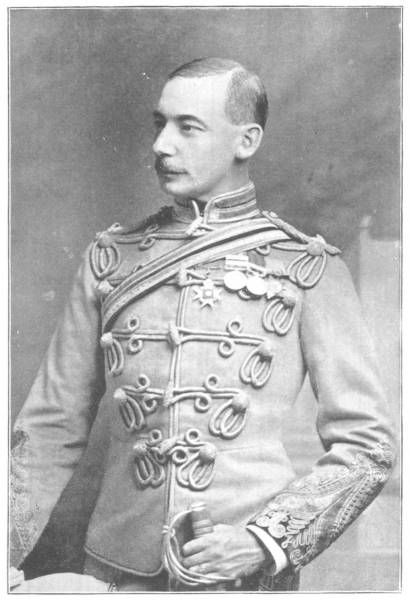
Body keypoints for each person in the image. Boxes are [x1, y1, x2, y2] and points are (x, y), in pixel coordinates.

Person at [10, 57, 395, 592]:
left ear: (246, 141)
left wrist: (264, 541)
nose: (162, 145)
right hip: (117, 570)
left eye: (188, 127)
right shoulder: (110, 259)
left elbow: (368, 446)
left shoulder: (307, 267)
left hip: (242, 576)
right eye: (160, 124)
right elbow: (48, 430)